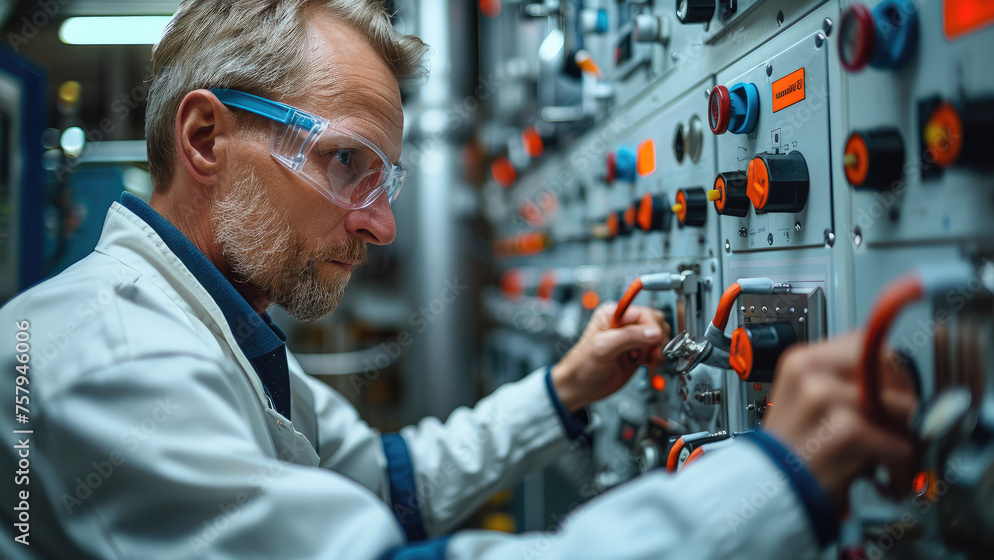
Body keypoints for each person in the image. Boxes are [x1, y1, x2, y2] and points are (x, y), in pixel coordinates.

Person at [0, 1, 916, 558]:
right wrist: (773, 479)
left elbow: (389, 482)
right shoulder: (107, 358)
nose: (381, 223)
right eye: (347, 164)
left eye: (387, 181)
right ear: (206, 140)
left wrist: (564, 390)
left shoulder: (210, 328)